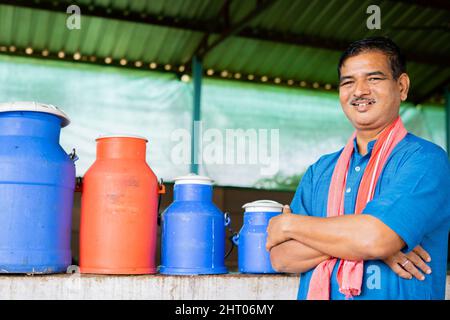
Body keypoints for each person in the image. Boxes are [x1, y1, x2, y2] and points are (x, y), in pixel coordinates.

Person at [266, 36, 450, 300]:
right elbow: (282, 257)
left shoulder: (424, 160)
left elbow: (375, 238)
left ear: (402, 86)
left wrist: (290, 225)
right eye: (348, 82)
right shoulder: (320, 171)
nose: (359, 90)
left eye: (374, 79)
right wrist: (363, 241)